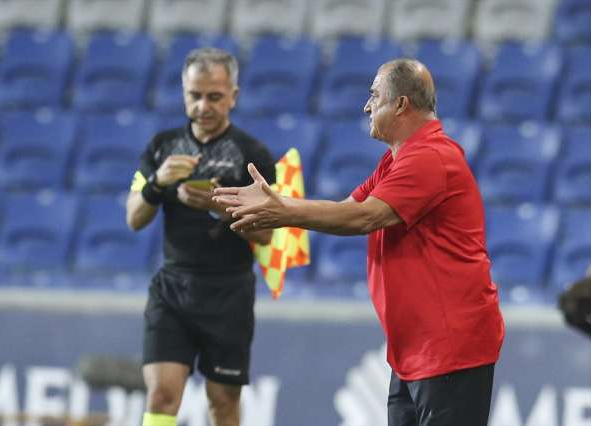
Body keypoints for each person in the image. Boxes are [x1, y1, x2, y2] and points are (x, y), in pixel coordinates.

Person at [213, 59, 505, 426]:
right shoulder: (396, 161)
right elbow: (345, 208)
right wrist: (277, 203)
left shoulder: (430, 158)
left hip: (449, 346)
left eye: (374, 96)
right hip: (416, 349)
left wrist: (282, 211)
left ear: (400, 104)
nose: (367, 106)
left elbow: (363, 218)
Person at [125, 48, 275, 426]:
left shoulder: (253, 156)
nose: (203, 106)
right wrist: (158, 183)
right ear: (183, 93)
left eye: (214, 96)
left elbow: (267, 234)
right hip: (173, 288)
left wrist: (219, 206)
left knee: (223, 403)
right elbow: (134, 218)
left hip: (229, 292)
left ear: (233, 96)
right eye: (195, 95)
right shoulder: (162, 148)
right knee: (161, 395)